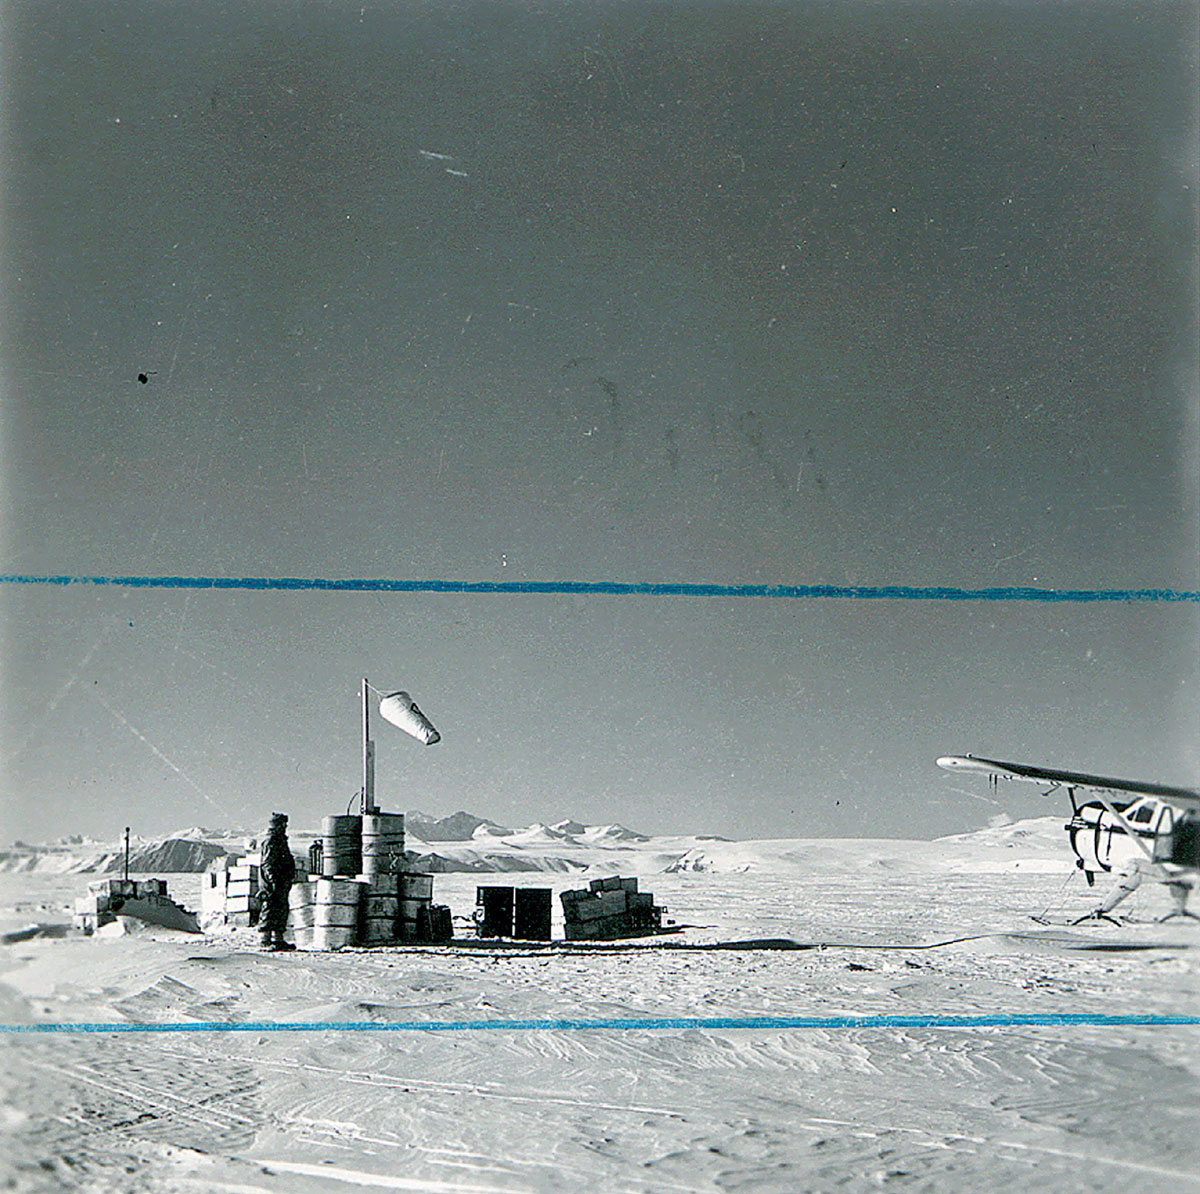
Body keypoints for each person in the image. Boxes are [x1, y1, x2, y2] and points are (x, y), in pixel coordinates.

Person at [259, 812, 296, 951]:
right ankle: (265, 940)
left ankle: (278, 939)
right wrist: (273, 879)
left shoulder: (279, 840)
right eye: (283, 824)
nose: (285, 827)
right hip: (273, 882)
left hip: (280, 880)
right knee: (270, 908)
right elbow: (268, 863)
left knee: (280, 908)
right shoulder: (272, 840)